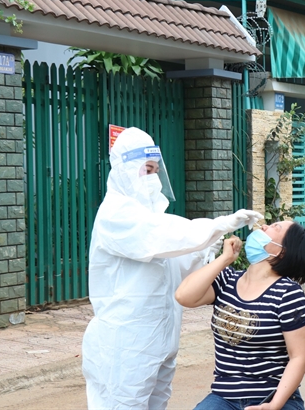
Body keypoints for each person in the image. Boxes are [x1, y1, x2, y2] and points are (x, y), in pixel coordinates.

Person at [81, 127, 262, 410]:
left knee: (157, 403)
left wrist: (211, 249)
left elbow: (179, 264)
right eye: (147, 170)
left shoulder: (152, 219)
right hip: (126, 342)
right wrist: (218, 225)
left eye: (156, 170)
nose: (153, 178)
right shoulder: (116, 214)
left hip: (160, 339)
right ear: (126, 170)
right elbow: (163, 235)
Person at [175, 221, 305, 410]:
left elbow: (300, 357)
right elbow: (184, 296)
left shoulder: (288, 294)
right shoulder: (227, 280)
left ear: (281, 251)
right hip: (224, 397)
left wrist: (274, 405)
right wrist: (225, 259)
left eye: (275, 227)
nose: (264, 227)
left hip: (273, 396)